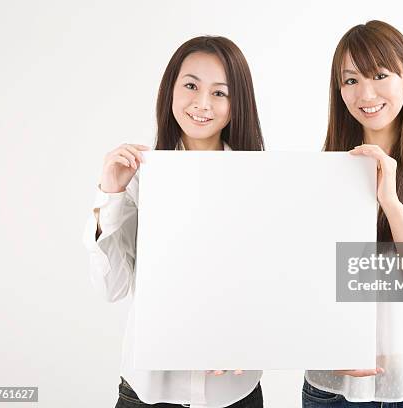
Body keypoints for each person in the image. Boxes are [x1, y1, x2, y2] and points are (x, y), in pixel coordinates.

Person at [82, 35, 265, 408]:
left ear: (236, 103)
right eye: (191, 86)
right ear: (170, 91)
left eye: (219, 93)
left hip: (232, 391)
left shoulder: (261, 181)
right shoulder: (138, 176)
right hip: (149, 391)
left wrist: (247, 336)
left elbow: (272, 285)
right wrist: (110, 194)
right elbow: (111, 287)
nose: (202, 104)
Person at [302, 20, 403, 407]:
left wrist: (391, 201)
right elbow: (300, 282)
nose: (366, 93)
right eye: (350, 80)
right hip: (331, 387)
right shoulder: (317, 177)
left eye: (380, 75)